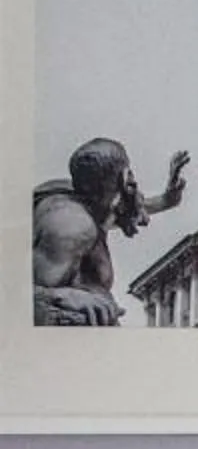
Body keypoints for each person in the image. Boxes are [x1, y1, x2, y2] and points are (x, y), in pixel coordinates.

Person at [31, 138, 187, 326]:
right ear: (123, 179)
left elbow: (133, 208)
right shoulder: (72, 226)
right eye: (130, 176)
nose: (133, 183)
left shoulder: (94, 199)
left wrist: (167, 198)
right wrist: (59, 296)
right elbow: (17, 296)